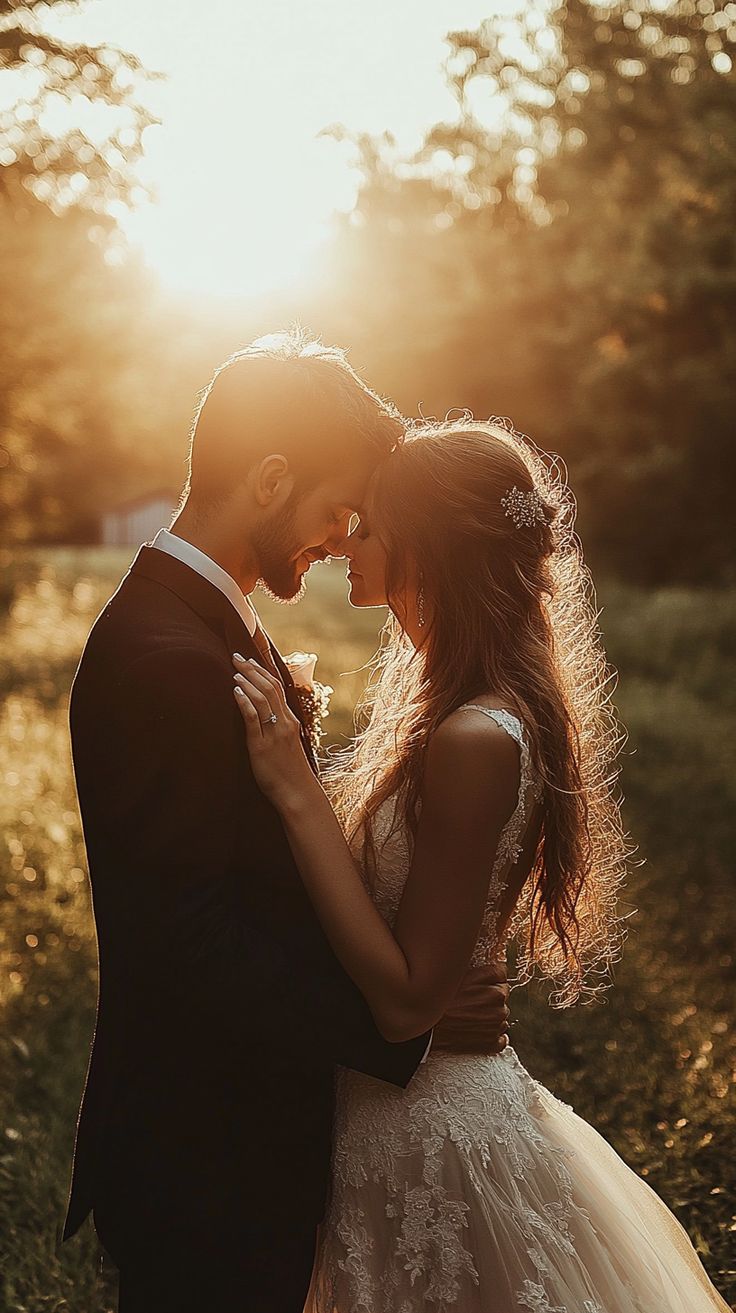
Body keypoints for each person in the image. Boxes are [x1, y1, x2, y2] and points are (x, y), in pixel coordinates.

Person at [231, 418, 731, 1312]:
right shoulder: (458, 712)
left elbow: (406, 998)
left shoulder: (474, 736)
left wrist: (294, 790)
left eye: (373, 523)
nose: (350, 538)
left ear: (431, 545)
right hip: (394, 1106)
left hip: (430, 1122)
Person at [62, 333, 510, 1313]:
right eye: (333, 506)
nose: (341, 533)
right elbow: (187, 933)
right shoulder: (163, 652)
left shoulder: (219, 622)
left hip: (247, 1136)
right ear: (270, 477)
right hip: (201, 1155)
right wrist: (397, 1030)